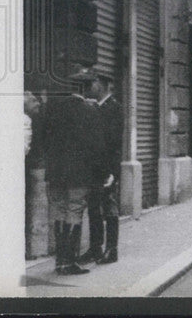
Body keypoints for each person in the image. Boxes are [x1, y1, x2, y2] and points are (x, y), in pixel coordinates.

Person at [41, 65, 103, 275]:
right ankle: (70, 262)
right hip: (78, 174)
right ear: (86, 87)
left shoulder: (54, 107)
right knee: (74, 211)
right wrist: (102, 174)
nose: (96, 86)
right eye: (94, 83)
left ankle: (60, 262)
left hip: (56, 172)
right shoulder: (90, 110)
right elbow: (96, 147)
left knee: (58, 212)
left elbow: (45, 138)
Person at [78, 73, 123, 265]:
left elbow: (113, 143)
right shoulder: (95, 107)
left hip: (108, 168)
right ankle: (95, 248)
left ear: (103, 85)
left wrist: (112, 172)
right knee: (94, 208)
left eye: (93, 84)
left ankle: (111, 250)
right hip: (94, 167)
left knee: (109, 208)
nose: (89, 87)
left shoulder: (114, 108)